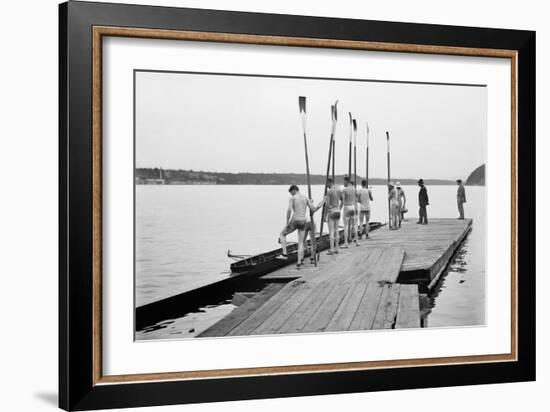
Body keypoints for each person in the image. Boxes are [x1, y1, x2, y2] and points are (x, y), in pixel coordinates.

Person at [279, 185, 316, 268]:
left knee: (282, 234)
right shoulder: (305, 198)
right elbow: (313, 209)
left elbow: (289, 210)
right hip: (303, 221)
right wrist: (311, 202)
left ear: (294, 190)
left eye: (291, 193)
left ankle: (284, 254)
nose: (291, 195)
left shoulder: (293, 198)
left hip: (295, 220)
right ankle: (299, 263)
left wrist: (287, 222)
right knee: (300, 242)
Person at [315, 178, 343, 254]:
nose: (326, 186)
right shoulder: (339, 190)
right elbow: (342, 200)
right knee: (336, 231)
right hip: (338, 211)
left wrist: (324, 215)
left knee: (331, 232)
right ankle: (337, 248)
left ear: (329, 182)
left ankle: (332, 249)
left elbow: (327, 204)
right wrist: (339, 208)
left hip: (331, 211)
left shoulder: (330, 191)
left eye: (327, 184)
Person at [342, 176, 359, 247]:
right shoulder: (354, 189)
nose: (343, 183)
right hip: (352, 207)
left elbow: (343, 200)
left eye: (344, 181)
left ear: (346, 181)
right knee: (354, 225)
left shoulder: (344, 190)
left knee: (345, 226)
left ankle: (346, 243)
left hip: (347, 207)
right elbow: (357, 198)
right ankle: (357, 241)